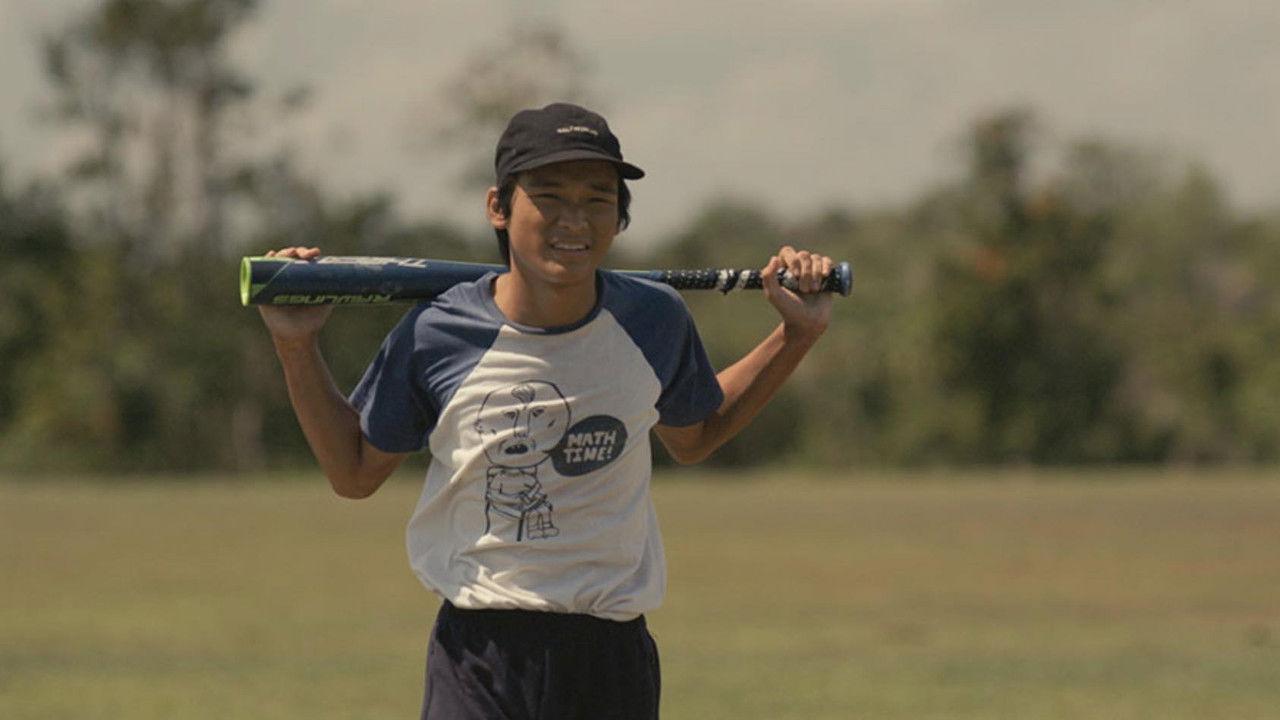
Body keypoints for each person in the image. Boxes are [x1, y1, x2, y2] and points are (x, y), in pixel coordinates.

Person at [258, 102, 834, 719]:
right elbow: (352, 473)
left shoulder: (653, 319)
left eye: (597, 199)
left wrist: (795, 336)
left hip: (609, 654)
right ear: (499, 209)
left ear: (619, 217)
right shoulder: (437, 333)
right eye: (550, 197)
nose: (574, 220)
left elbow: (694, 437)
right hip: (481, 653)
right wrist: (296, 344)